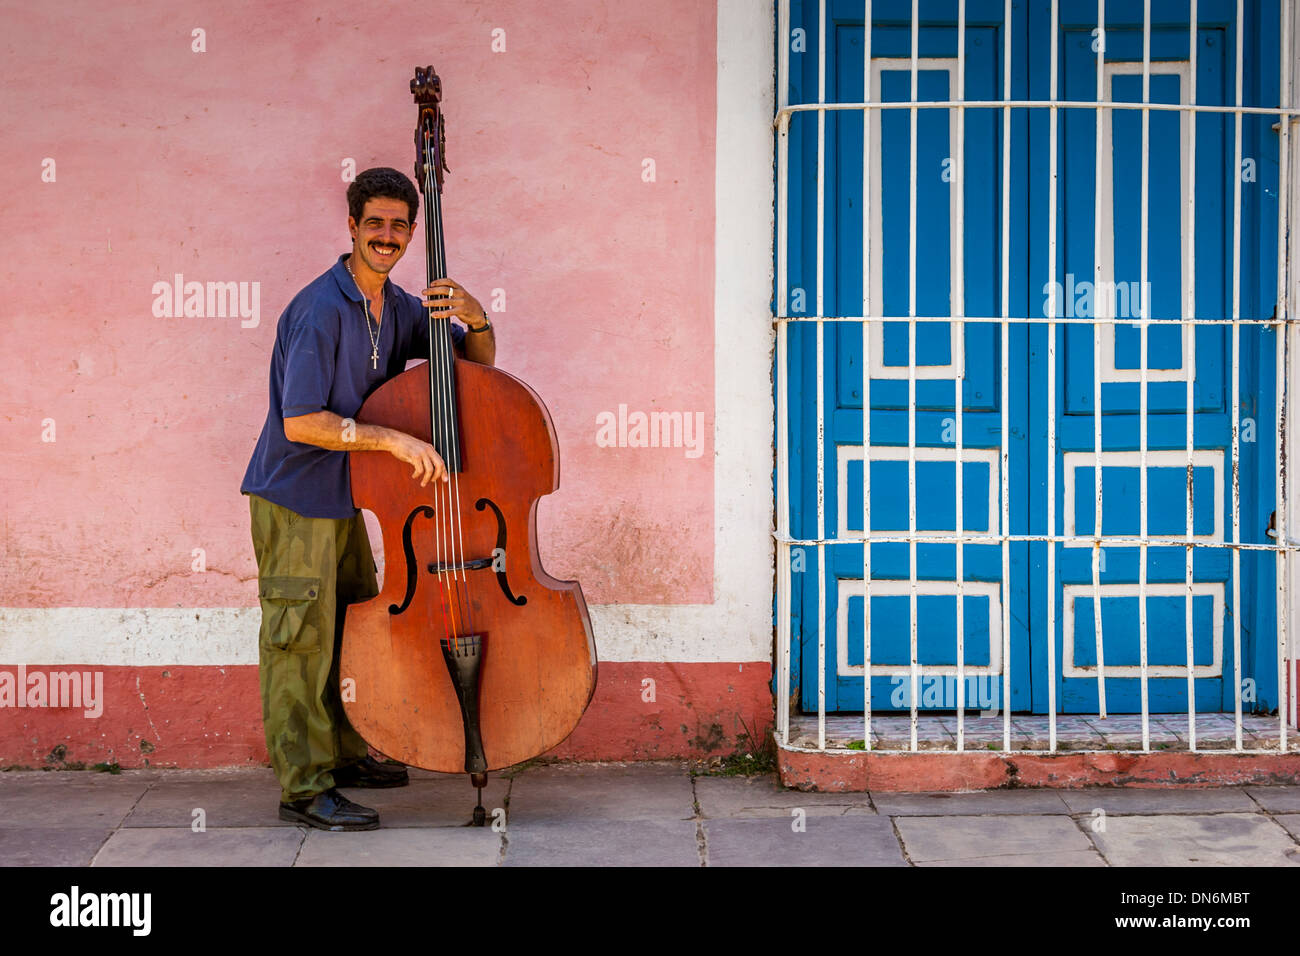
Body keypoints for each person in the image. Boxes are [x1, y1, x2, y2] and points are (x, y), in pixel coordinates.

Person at [241, 166, 495, 830]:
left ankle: (346, 755)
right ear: (351, 226)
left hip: (345, 498)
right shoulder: (321, 309)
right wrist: (390, 441)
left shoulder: (396, 305)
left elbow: (470, 367)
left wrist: (477, 315)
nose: (387, 236)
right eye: (374, 223)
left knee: (347, 630)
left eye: (399, 225)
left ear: (413, 232)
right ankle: (303, 788)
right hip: (295, 497)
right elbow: (301, 421)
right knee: (299, 641)